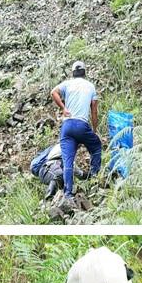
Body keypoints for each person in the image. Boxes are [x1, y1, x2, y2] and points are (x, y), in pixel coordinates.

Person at [50, 60, 102, 204]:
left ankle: (68, 194)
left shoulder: (67, 84)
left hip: (67, 127)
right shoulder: (90, 86)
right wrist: (95, 130)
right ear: (84, 72)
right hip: (81, 125)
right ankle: (94, 178)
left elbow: (53, 92)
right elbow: (94, 111)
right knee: (96, 146)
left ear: (73, 72)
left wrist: (63, 108)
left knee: (68, 161)